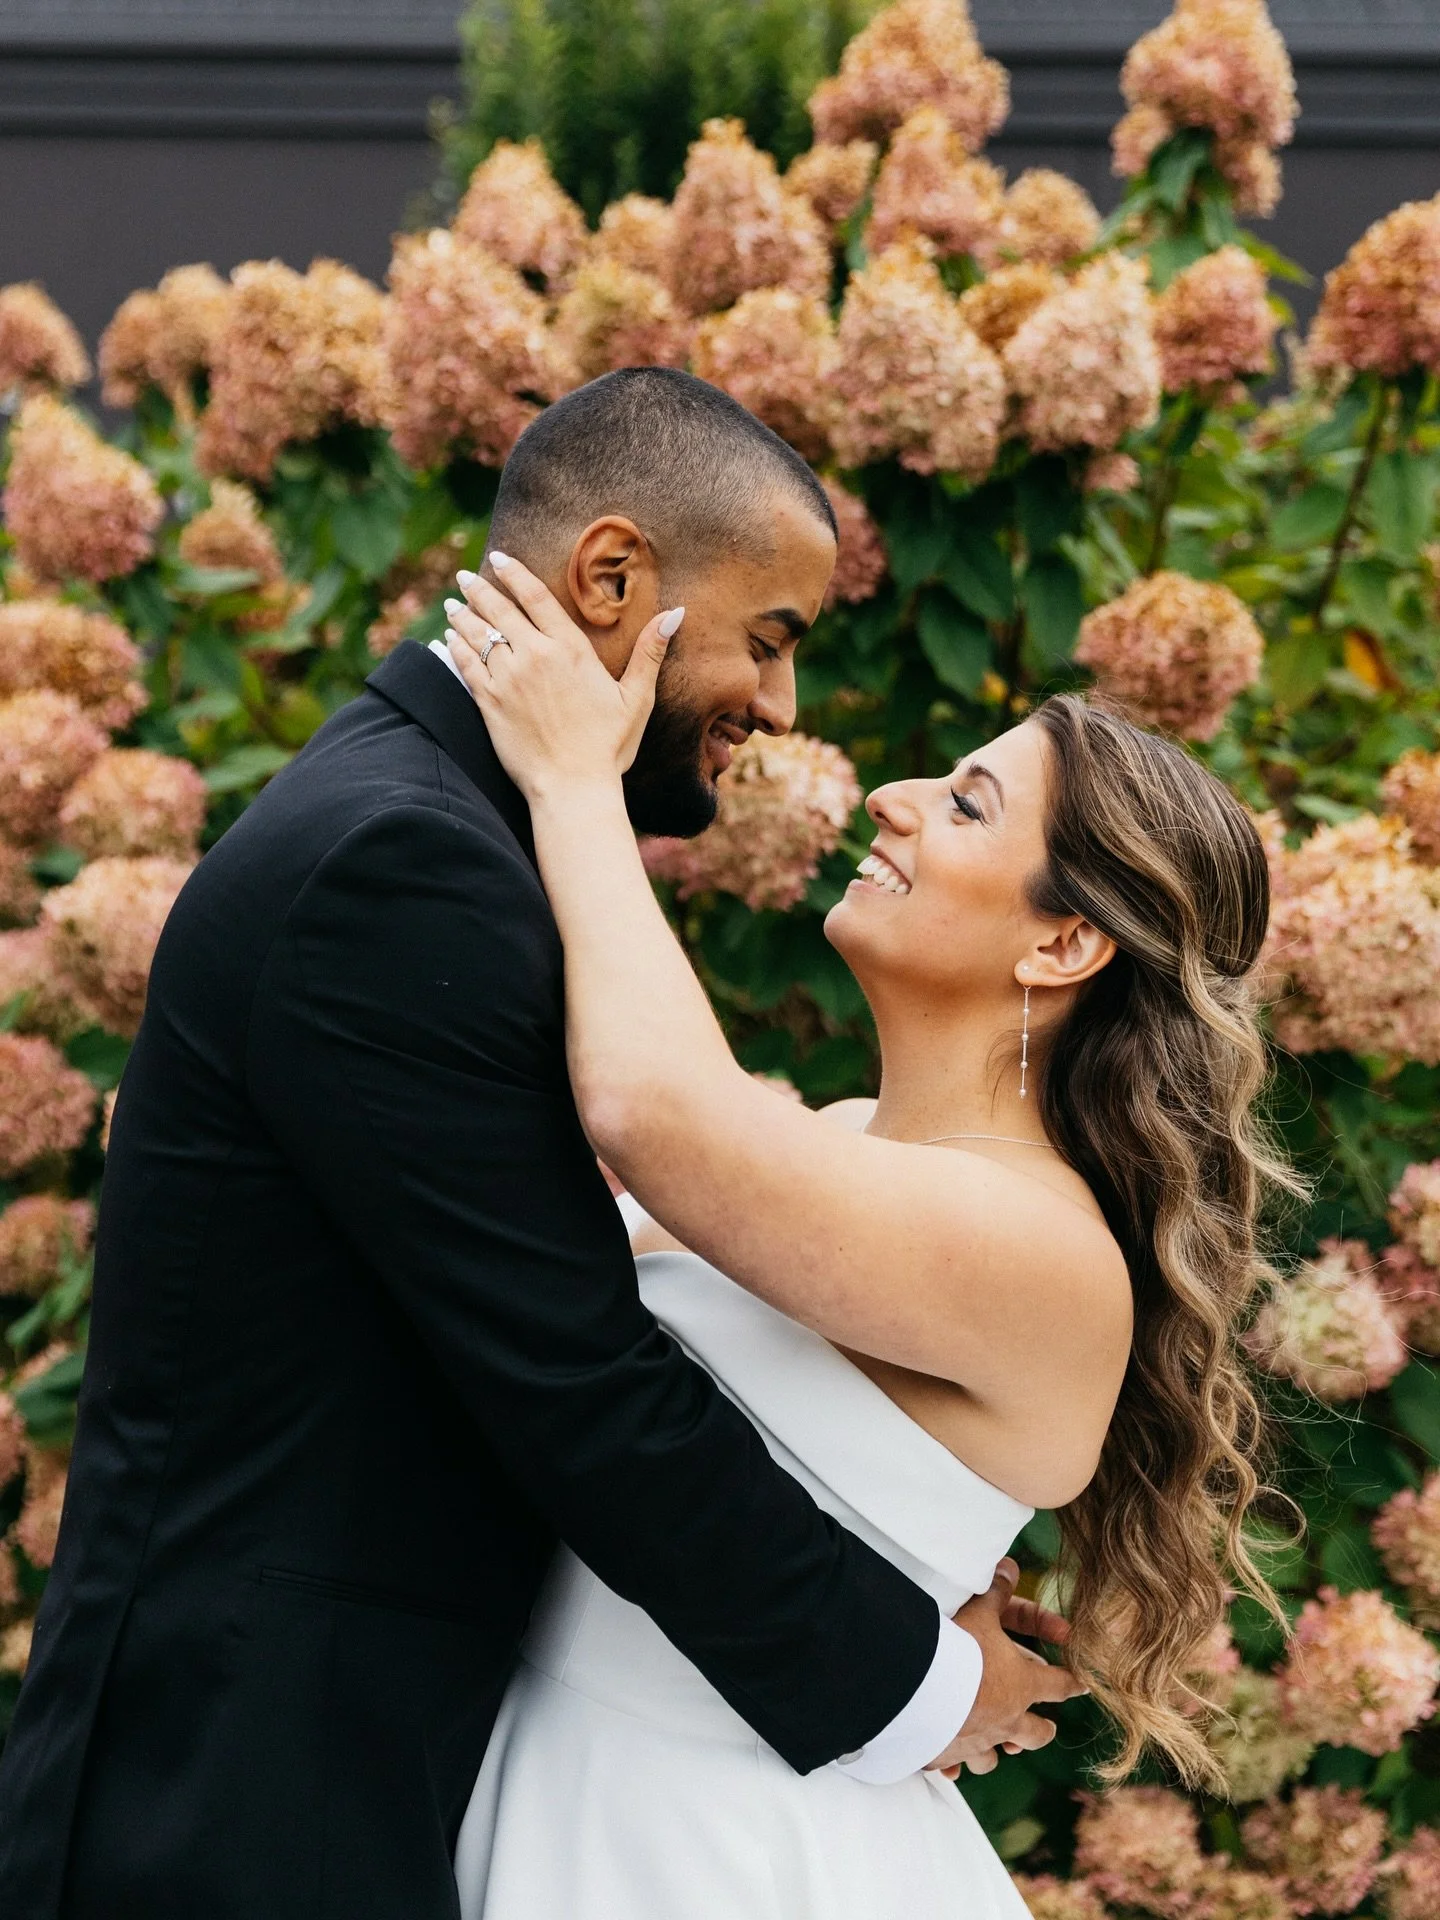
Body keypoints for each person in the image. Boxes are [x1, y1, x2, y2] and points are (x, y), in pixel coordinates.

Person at [0, 370, 1077, 1920]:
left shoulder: (441, 836)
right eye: (768, 639)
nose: (779, 709)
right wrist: (910, 1681)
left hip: (360, 1765)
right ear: (615, 578)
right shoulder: (403, 866)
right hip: (242, 1793)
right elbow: (573, 1379)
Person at [441, 550, 1296, 1918]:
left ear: (1063, 947)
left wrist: (571, 780)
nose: (893, 800)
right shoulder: (833, 1133)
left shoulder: (1045, 1253)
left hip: (719, 1854)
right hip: (558, 1775)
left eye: (966, 803)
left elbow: (650, 1108)